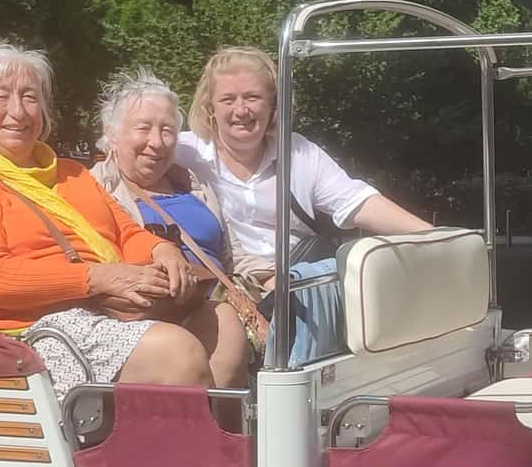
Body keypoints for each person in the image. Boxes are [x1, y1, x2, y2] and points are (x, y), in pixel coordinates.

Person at [0, 43, 214, 400]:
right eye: (2, 96)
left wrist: (161, 250)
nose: (18, 111)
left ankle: (212, 435)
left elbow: (124, 231)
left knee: (221, 324)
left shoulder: (72, 173)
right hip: (23, 336)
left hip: (98, 311)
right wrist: (97, 278)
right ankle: (166, 436)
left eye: (30, 97)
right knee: (176, 354)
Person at [176, 46, 432, 290]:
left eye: (253, 97)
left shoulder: (297, 152)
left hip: (297, 284)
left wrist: (436, 237)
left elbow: (355, 202)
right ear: (210, 107)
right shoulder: (183, 151)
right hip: (224, 287)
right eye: (228, 99)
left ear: (274, 105)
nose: (241, 110)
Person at [89, 68, 249, 387]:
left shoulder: (194, 185)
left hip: (214, 301)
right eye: (143, 128)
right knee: (224, 322)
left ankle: (216, 416)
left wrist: (272, 278)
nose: (157, 142)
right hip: (150, 316)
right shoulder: (95, 188)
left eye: (167, 130)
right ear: (112, 134)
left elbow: (233, 254)